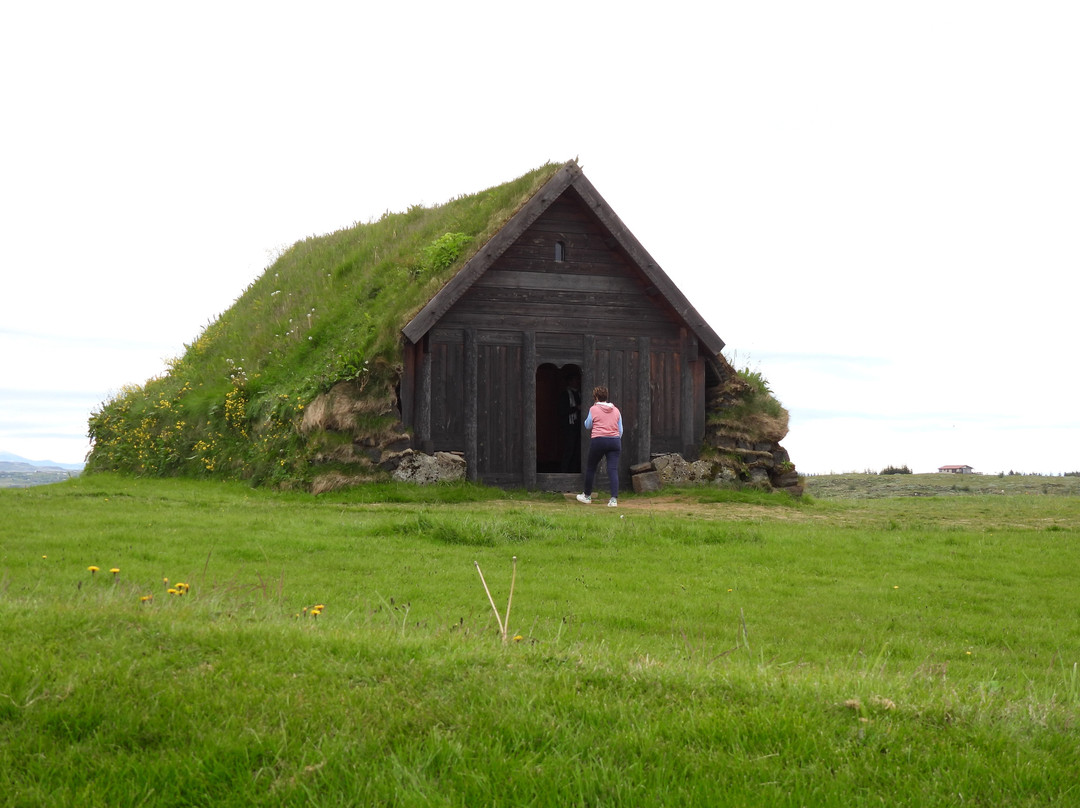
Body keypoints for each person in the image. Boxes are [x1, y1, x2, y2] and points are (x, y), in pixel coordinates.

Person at [576, 385, 623, 508]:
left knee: (591, 467)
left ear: (596, 397)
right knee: (612, 469)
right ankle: (613, 499)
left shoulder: (593, 409)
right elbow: (620, 430)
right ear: (606, 397)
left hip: (599, 440)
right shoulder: (616, 410)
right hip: (615, 441)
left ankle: (587, 496)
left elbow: (588, 425)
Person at [557, 372, 581, 472]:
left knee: (577, 450)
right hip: (569, 427)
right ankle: (564, 472)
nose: (577, 382)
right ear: (570, 382)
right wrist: (576, 408)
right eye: (575, 380)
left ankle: (574, 471)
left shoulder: (580, 393)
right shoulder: (565, 394)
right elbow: (562, 410)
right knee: (569, 449)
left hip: (579, 426)